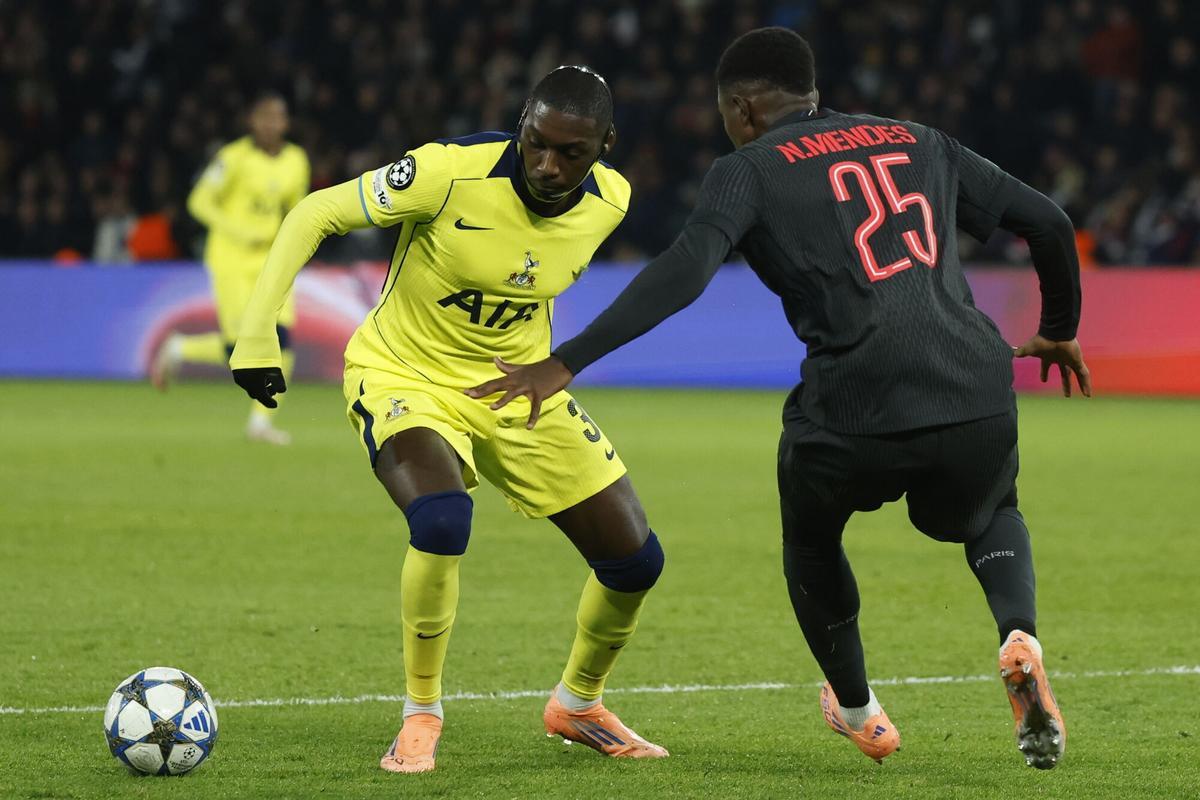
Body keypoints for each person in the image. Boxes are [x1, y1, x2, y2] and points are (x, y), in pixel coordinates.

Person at [467, 28, 1092, 770]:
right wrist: (1057, 329)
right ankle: (1018, 636)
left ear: (744, 108)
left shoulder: (749, 168)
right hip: (972, 377)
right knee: (992, 510)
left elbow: (689, 269)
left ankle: (860, 711)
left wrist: (566, 360)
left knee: (812, 539)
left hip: (853, 400)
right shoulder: (919, 138)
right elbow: (1048, 221)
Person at [229, 66, 669, 774]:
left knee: (635, 560)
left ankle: (579, 704)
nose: (549, 166)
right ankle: (421, 712)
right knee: (440, 520)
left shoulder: (610, 202)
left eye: (572, 154)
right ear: (521, 123)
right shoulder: (444, 172)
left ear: (605, 147)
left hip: (517, 387)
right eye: (537, 144)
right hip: (405, 372)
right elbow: (314, 213)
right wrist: (256, 334)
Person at [152, 92, 310, 445]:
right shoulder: (233, 158)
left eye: (277, 118)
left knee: (283, 341)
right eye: (263, 117)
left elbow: (297, 208)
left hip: (271, 260)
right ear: (252, 121)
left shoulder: (296, 160)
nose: (271, 124)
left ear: (286, 123)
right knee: (239, 346)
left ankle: (261, 422)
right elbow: (198, 202)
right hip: (231, 259)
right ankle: (180, 349)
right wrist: (239, 230)